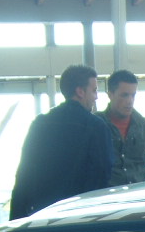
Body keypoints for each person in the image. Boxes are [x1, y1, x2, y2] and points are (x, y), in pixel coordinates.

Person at [10, 64, 113, 220]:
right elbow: (103, 172)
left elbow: (25, 173)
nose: (96, 96)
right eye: (94, 90)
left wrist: (16, 218)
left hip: (43, 213)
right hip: (82, 214)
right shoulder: (96, 126)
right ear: (80, 91)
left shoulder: (40, 123)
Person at [96, 69, 145, 186]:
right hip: (107, 198)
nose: (130, 101)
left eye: (133, 95)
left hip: (140, 197)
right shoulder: (96, 125)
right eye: (124, 95)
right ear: (110, 94)